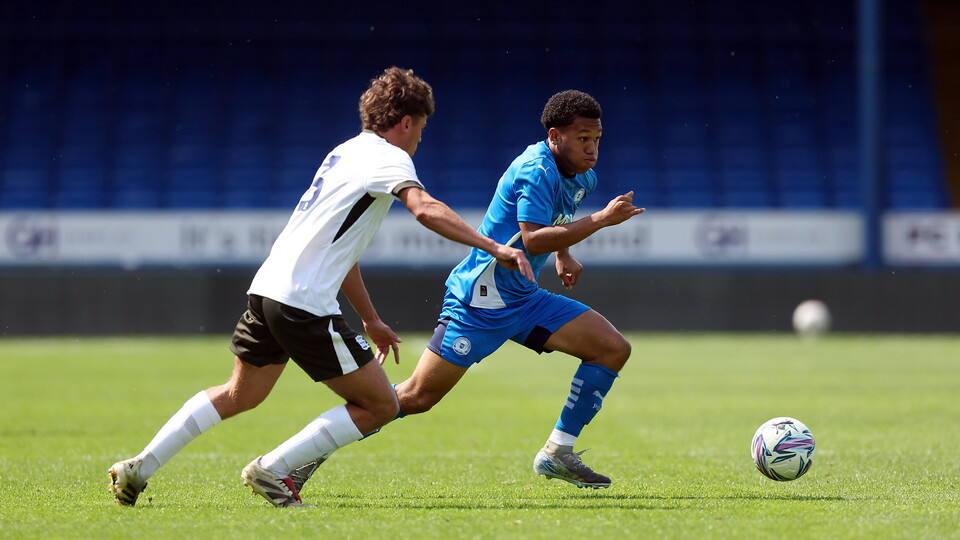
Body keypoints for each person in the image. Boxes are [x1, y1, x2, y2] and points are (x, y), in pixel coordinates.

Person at [107, 66, 534, 507]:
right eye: (421, 129)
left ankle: (139, 466)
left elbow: (340, 253)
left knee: (241, 393)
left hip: (268, 289)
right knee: (382, 406)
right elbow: (424, 208)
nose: (420, 139)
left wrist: (370, 318)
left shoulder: (345, 153)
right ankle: (272, 470)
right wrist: (493, 247)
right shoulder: (390, 158)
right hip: (302, 303)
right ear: (406, 121)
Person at [292, 89, 644, 492]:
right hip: (481, 298)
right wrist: (599, 220)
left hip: (524, 297)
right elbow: (530, 239)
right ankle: (307, 453)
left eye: (597, 138)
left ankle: (558, 452)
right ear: (554, 136)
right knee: (414, 398)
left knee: (612, 348)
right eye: (582, 138)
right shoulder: (536, 170)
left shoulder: (582, 175)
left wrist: (565, 253)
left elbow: (558, 218)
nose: (592, 148)